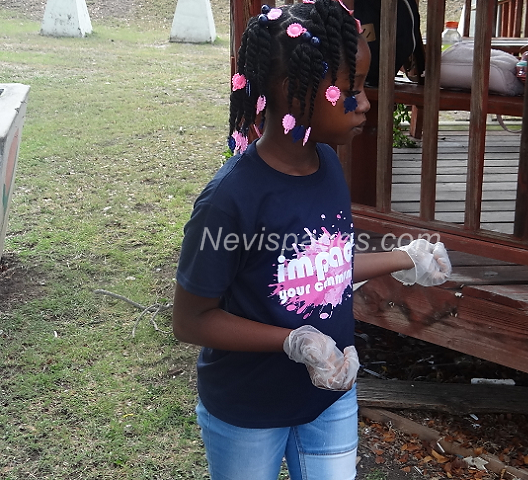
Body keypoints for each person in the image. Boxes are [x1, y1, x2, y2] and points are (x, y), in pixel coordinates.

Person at [172, 1, 451, 479]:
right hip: (248, 408)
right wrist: (292, 342)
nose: (365, 103)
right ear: (292, 89)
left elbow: (326, 266)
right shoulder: (230, 201)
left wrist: (404, 257)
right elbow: (190, 320)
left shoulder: (328, 168)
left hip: (329, 398)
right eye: (351, 89)